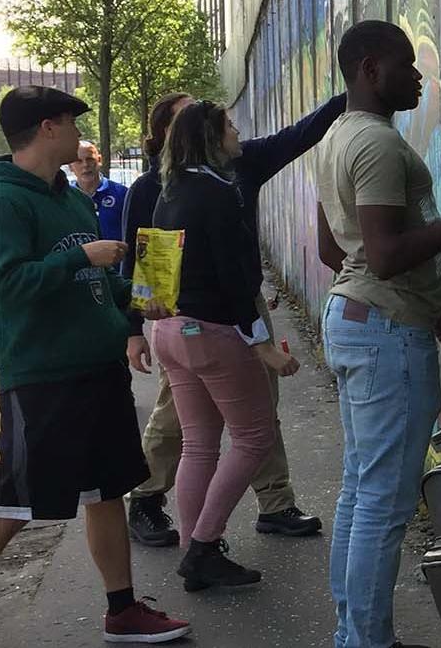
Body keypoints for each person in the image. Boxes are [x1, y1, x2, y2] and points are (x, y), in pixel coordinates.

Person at [314, 20, 441, 648]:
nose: (419, 79)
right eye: (407, 67)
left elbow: (332, 249)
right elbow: (386, 255)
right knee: (385, 507)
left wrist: (423, 306)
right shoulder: (379, 146)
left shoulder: (337, 138)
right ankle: (365, 641)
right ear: (370, 69)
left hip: (360, 318)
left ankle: (352, 632)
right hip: (384, 335)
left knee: (361, 491)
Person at [0, 85, 192, 643]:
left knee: (106, 491)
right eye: (71, 123)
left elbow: (96, 281)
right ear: (47, 129)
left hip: (98, 370)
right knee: (14, 501)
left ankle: (122, 610)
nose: (82, 137)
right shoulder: (5, 200)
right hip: (44, 377)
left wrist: (138, 297)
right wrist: (79, 256)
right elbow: (7, 287)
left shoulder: (71, 198)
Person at [121, 89, 346, 547]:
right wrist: (138, 327)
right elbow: (144, 264)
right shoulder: (157, 187)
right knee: (194, 422)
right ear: (173, 133)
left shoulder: (233, 169)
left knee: (253, 412)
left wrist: (346, 97)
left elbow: (298, 135)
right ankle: (154, 501)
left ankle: (272, 504)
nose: (235, 128)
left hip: (220, 314)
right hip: (203, 319)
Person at [148, 99, 304, 592]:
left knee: (199, 444)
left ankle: (196, 549)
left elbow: (154, 257)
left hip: (171, 329)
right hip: (212, 334)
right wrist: (262, 345)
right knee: (254, 437)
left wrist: (147, 313)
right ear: (213, 139)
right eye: (230, 126)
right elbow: (236, 278)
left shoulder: (170, 189)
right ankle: (203, 547)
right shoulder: (221, 193)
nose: (238, 131)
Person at [69, 140, 128, 241]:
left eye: (90, 159)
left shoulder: (122, 193)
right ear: (70, 166)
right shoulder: (65, 198)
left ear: (99, 160)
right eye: (79, 161)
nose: (85, 165)